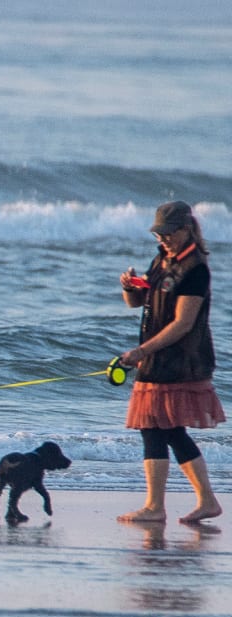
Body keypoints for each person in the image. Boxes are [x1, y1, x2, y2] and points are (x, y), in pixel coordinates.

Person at [117, 200, 224, 523]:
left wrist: (141, 352)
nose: (163, 240)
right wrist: (128, 288)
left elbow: (183, 324)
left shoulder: (196, 269)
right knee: (171, 431)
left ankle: (155, 507)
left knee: (154, 429)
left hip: (179, 360)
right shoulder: (162, 260)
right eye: (159, 235)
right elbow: (140, 302)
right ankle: (206, 501)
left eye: (168, 234)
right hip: (157, 358)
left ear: (185, 229)